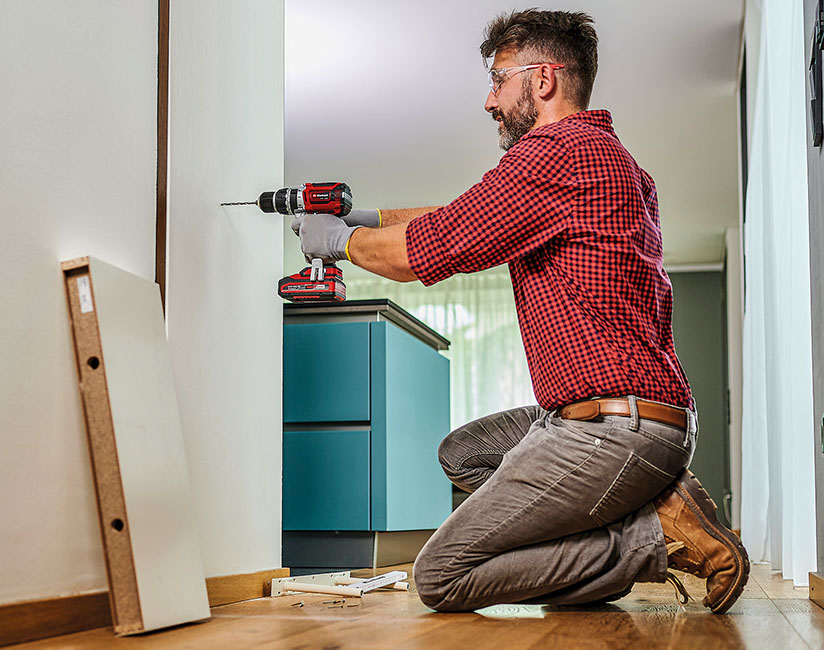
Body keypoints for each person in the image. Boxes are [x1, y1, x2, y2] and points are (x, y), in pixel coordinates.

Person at [290, 9, 749, 613]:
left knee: (441, 576)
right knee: (464, 454)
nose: (488, 99)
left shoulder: (555, 155)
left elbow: (427, 248)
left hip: (613, 428)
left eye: (498, 77)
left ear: (544, 79)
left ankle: (652, 538)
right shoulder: (611, 161)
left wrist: (338, 244)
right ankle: (655, 504)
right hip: (620, 417)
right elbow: (458, 214)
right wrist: (364, 219)